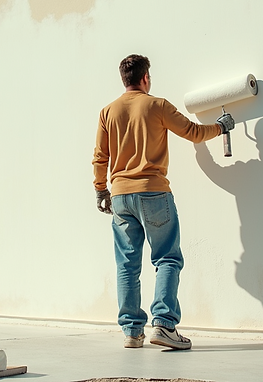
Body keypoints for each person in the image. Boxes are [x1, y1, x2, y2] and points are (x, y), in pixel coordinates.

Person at [92, 54, 233, 350]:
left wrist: (100, 190)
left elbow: (100, 157)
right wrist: (221, 127)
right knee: (167, 258)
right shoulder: (157, 105)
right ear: (145, 78)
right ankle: (164, 324)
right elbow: (194, 133)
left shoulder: (108, 112)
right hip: (154, 192)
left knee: (127, 265)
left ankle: (132, 332)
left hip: (119, 196)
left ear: (124, 79)